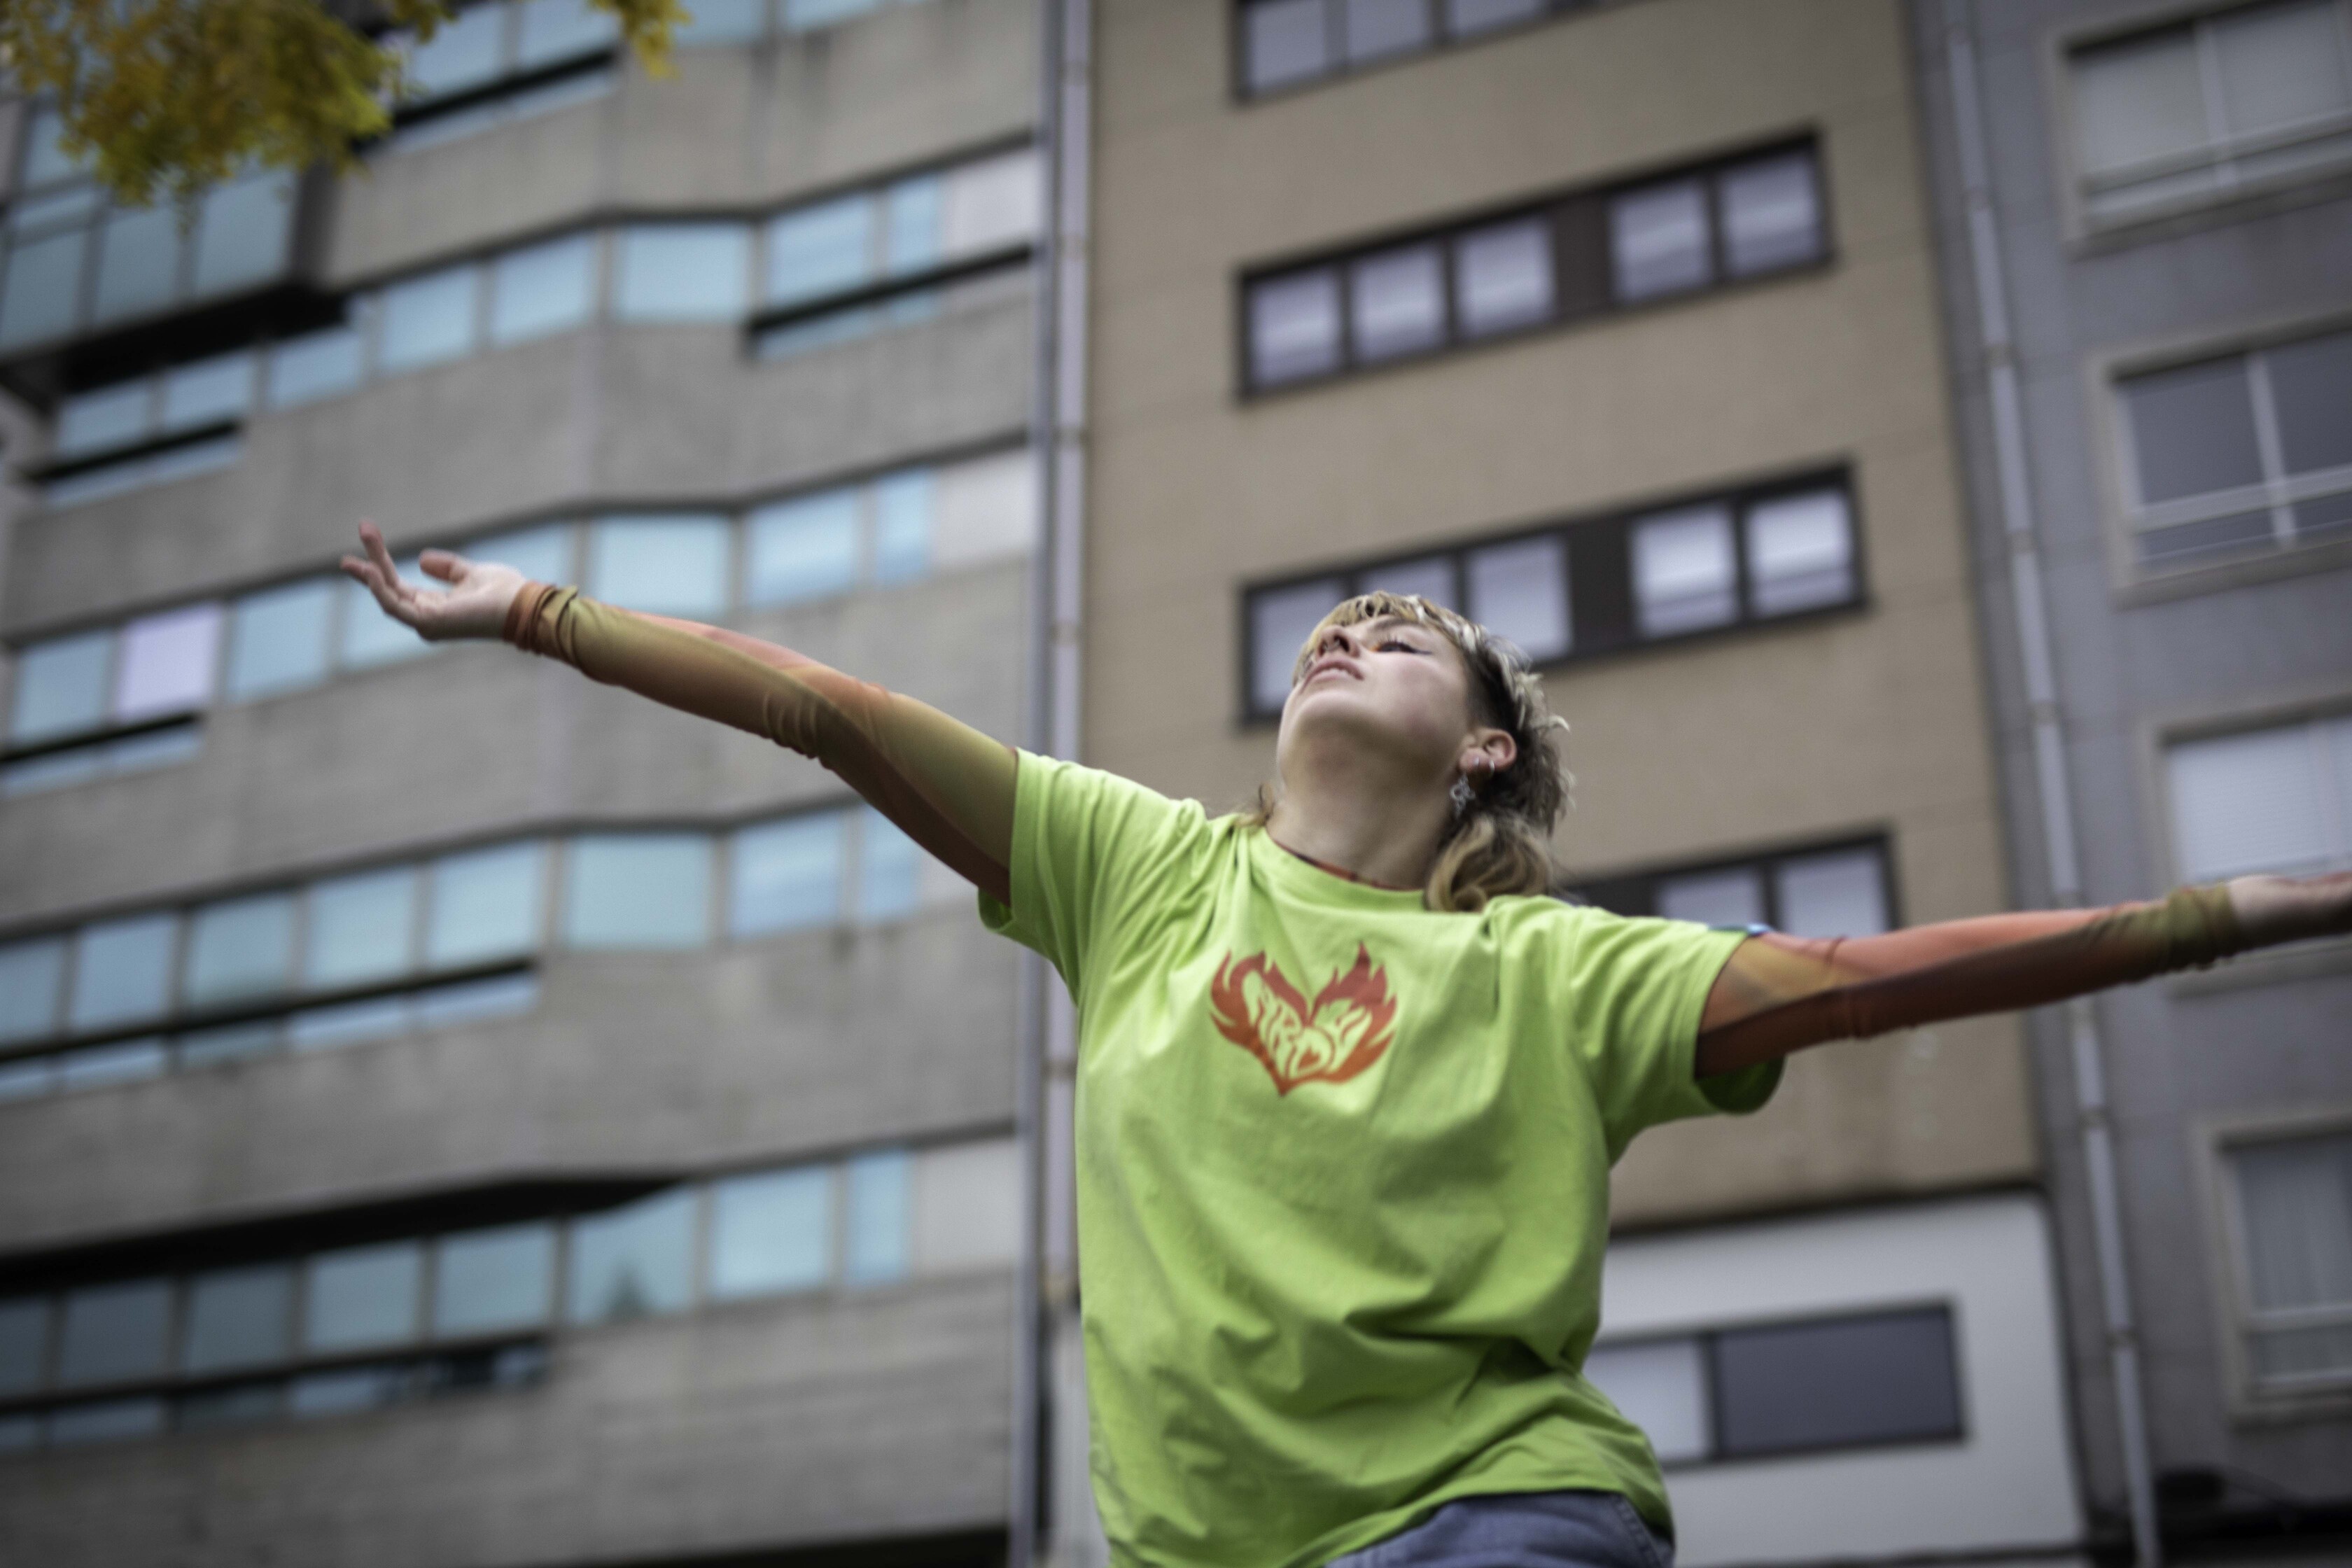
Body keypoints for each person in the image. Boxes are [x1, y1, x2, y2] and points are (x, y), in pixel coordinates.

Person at [342, 521, 2350, 1568]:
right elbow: (830, 709)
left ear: (1483, 746)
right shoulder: (1133, 873)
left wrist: (2234, 913)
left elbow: (1861, 977)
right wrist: (535, 613)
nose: (1344, 631)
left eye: (1401, 633)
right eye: (1330, 622)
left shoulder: (1563, 975)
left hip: (1498, 1520)